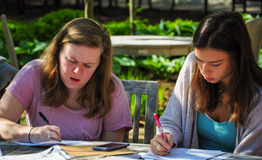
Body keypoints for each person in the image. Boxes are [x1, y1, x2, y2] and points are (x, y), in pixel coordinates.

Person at [0, 18, 132, 143]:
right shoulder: (34, 72)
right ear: (57, 52)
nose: (77, 71)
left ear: (99, 65)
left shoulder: (110, 87)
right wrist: (31, 133)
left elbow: (111, 149)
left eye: (88, 65)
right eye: (71, 61)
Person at [150, 11, 262, 156]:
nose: (204, 71)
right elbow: (171, 120)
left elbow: (247, 157)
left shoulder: (257, 97)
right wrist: (166, 135)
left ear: (238, 57)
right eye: (200, 60)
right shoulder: (192, 65)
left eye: (215, 64)